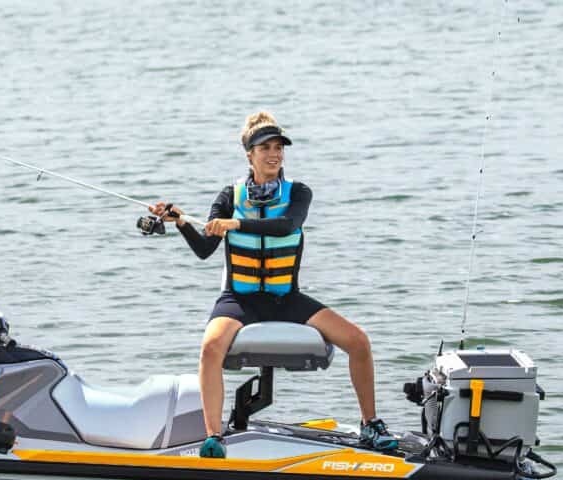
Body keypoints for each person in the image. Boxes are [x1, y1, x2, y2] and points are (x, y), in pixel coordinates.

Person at [150, 111, 397, 458]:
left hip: (286, 298)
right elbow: (205, 249)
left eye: (279, 147)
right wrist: (181, 223)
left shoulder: (299, 193)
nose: (274, 154)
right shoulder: (228, 196)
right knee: (210, 347)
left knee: (358, 341)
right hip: (239, 299)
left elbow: (286, 226)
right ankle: (213, 436)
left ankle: (370, 424)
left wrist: (235, 224)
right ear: (249, 155)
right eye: (265, 148)